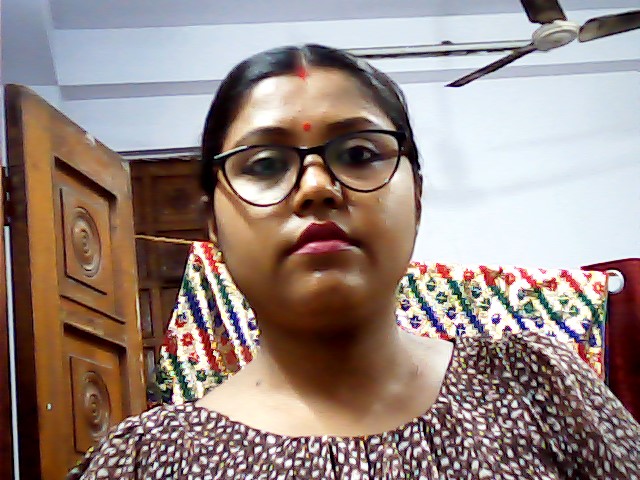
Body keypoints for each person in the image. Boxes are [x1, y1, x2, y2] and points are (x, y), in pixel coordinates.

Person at [68, 44, 639, 479]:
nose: (317, 187)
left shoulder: (538, 387)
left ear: (417, 198)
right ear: (213, 227)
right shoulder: (147, 463)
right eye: (264, 164)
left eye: (360, 153)